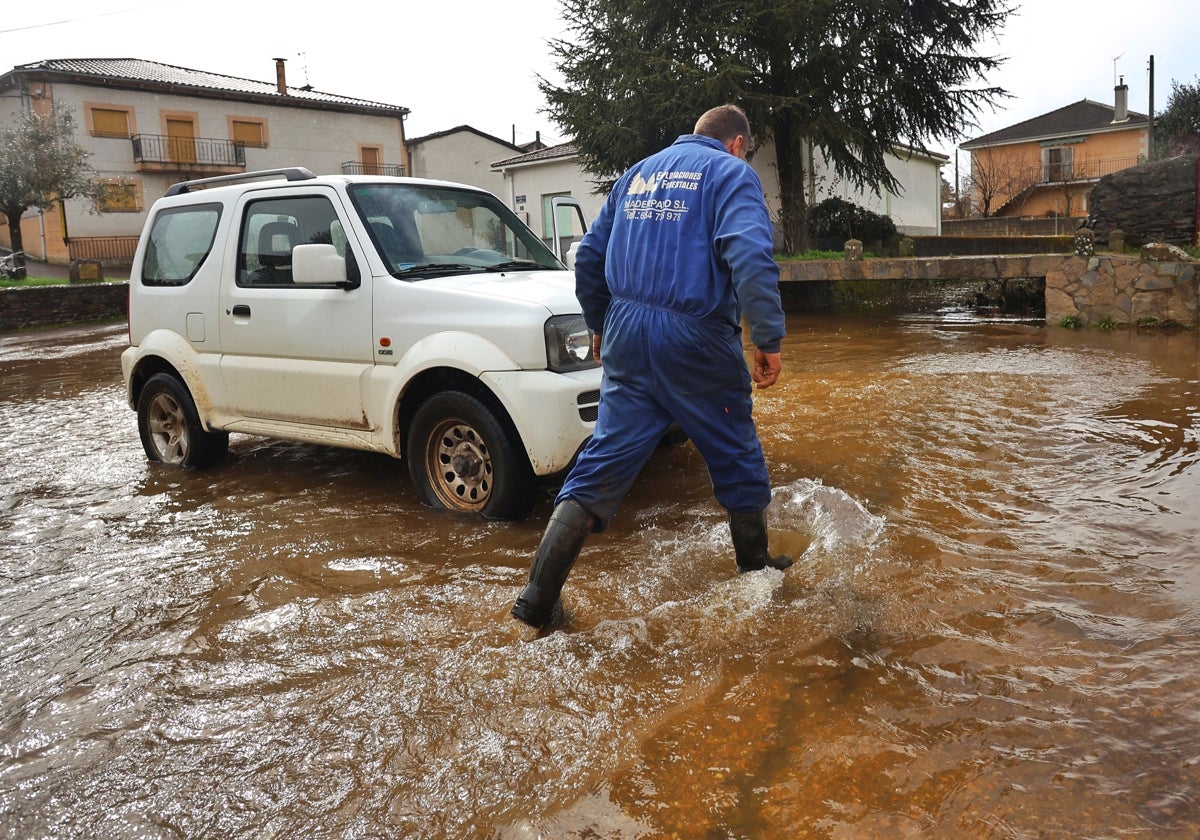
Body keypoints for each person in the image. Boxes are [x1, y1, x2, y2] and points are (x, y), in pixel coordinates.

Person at [512, 104, 791, 630]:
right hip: (696, 339)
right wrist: (769, 339)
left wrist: (599, 324)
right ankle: (757, 575)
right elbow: (750, 255)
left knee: (603, 459)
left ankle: (537, 598)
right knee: (734, 450)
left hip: (625, 335)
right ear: (736, 144)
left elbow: (589, 256)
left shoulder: (636, 176)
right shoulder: (732, 174)